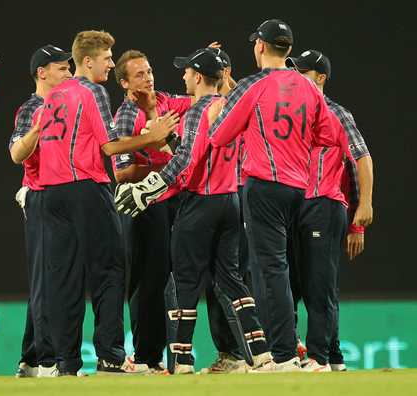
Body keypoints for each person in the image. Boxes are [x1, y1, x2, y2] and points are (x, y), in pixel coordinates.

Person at [115, 47, 273, 375]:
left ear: (198, 77)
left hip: (200, 203)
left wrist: (151, 187)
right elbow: (196, 151)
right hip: (230, 201)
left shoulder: (200, 110)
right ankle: (261, 354)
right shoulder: (229, 106)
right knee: (231, 279)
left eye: (186, 71)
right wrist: (166, 135)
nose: (182, 76)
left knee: (185, 281)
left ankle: (183, 361)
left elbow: (187, 158)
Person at [36, 30, 179, 376]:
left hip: (51, 193)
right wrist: (153, 137)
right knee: (109, 270)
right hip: (85, 187)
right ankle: (112, 357)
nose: (111, 64)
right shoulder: (92, 91)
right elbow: (109, 147)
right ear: (88, 61)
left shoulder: (55, 95)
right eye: (106, 59)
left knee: (64, 277)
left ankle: (66, 364)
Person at [206, 19, 341, 371]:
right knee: (289, 270)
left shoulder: (252, 85)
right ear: (289, 50)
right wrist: (295, 146)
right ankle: (311, 354)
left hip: (264, 186)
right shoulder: (309, 87)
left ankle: (282, 355)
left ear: (261, 47)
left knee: (271, 270)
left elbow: (218, 136)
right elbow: (329, 135)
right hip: (299, 188)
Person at [286, 50, 373, 372]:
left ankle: (318, 356)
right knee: (290, 284)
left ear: (321, 77)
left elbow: (361, 160)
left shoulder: (337, 113)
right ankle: (331, 356)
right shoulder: (290, 113)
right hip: (292, 206)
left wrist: (361, 215)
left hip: (324, 203)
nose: (295, 77)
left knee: (319, 285)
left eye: (303, 72)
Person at [113, 49, 192, 372]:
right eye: (140, 74)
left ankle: (169, 356)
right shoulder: (124, 117)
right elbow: (122, 172)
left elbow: (206, 100)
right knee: (148, 281)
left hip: (175, 202)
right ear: (124, 83)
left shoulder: (168, 101)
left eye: (149, 71)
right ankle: (147, 356)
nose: (149, 78)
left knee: (173, 279)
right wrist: (161, 163)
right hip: (145, 206)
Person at [9, 45, 72, 378]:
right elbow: (17, 153)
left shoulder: (70, 104)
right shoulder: (31, 108)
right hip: (42, 195)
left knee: (51, 278)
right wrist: (38, 126)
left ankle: (31, 360)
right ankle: (47, 361)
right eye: (62, 68)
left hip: (64, 197)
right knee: (47, 280)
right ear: (42, 72)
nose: (69, 74)